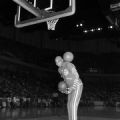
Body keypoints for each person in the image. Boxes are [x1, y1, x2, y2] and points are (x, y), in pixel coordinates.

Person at [55, 52, 83, 120]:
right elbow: (66, 81)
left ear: (62, 60)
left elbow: (77, 75)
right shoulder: (59, 70)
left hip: (77, 85)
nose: (56, 63)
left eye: (58, 61)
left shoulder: (68, 64)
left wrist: (73, 86)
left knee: (73, 105)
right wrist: (65, 90)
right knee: (69, 105)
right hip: (70, 87)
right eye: (55, 62)